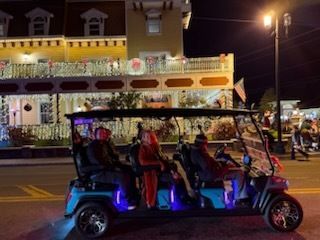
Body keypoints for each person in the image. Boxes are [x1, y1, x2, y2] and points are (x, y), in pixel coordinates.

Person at [87, 127, 138, 209]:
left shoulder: (104, 144)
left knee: (130, 170)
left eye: (104, 133)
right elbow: (98, 162)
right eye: (100, 133)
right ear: (95, 135)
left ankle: (134, 194)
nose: (103, 135)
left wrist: (118, 164)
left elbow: (112, 156)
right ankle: (129, 201)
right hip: (100, 172)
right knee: (121, 177)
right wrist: (114, 167)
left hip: (107, 168)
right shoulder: (93, 147)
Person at [190, 134, 249, 205]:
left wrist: (220, 163)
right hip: (211, 175)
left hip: (209, 173)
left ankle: (236, 195)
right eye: (206, 144)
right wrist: (225, 168)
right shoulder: (200, 153)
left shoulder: (196, 152)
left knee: (234, 169)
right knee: (239, 173)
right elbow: (209, 168)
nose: (206, 146)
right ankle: (240, 198)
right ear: (202, 144)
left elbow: (210, 164)